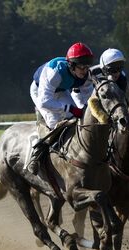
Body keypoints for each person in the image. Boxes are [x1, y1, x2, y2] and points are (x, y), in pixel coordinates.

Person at [27, 42, 95, 175]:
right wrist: (69, 108)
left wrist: (84, 110)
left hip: (61, 90)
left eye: (87, 66)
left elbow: (87, 98)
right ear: (72, 65)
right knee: (54, 122)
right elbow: (45, 101)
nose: (85, 71)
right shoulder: (54, 72)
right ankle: (36, 152)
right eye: (81, 67)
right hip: (40, 92)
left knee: (76, 117)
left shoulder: (86, 75)